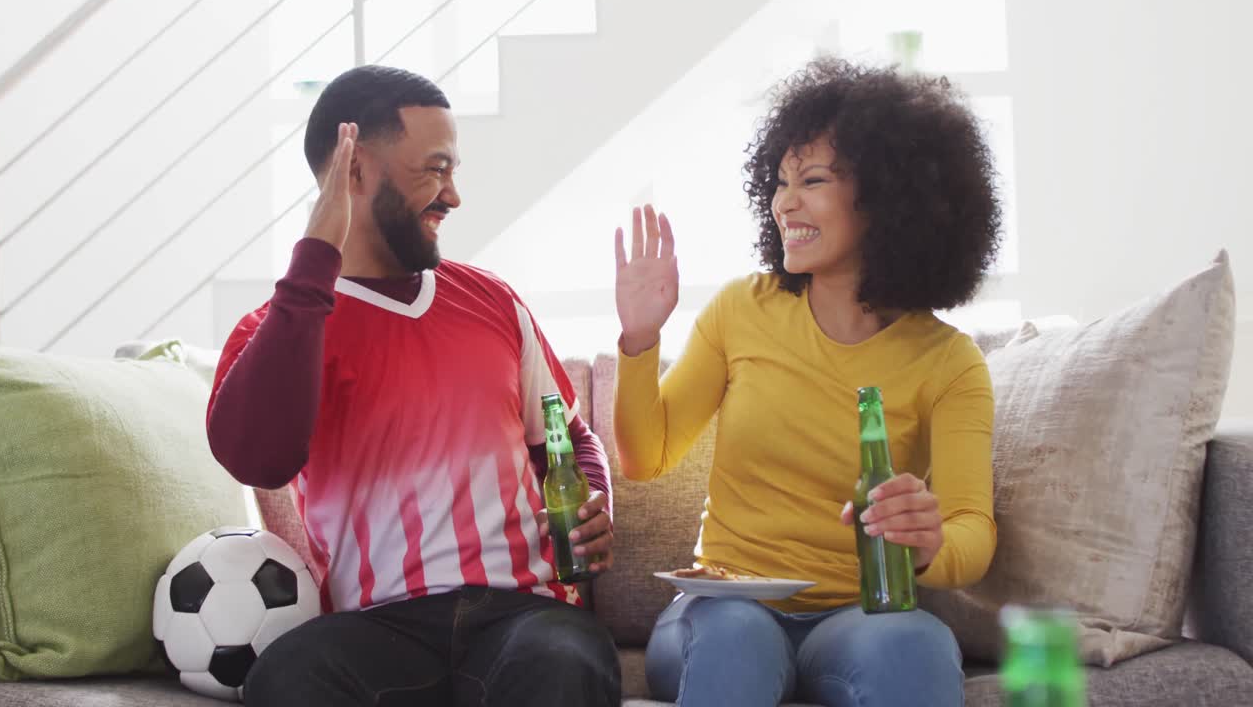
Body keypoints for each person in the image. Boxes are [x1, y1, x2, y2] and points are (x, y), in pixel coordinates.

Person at [206, 65, 620, 707]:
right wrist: (316, 254)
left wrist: (595, 499)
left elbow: (569, 437)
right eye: (435, 168)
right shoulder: (277, 328)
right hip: (378, 629)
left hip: (524, 617)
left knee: (567, 667)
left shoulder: (494, 301)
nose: (452, 195)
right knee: (285, 683)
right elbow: (257, 457)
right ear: (356, 171)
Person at [612, 56, 1002, 706]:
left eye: (812, 180)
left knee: (918, 643)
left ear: (887, 197)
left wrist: (931, 543)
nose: (783, 202)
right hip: (719, 610)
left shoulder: (950, 363)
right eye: (781, 181)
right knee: (738, 639)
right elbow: (643, 456)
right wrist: (640, 339)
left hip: (857, 617)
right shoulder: (743, 309)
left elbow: (973, 532)